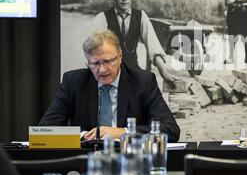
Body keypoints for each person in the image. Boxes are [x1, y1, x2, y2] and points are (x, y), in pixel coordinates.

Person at [39, 30, 180, 142]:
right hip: (84, 163)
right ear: (87, 62)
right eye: (95, 63)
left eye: (107, 61)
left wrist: (122, 132)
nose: (102, 70)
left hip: (129, 160)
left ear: (120, 56)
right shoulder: (74, 82)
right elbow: (44, 131)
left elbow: (171, 130)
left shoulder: (143, 82)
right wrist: (83, 136)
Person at [93, 0, 176, 83]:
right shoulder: (102, 18)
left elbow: (153, 47)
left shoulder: (141, 16)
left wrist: (164, 73)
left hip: (133, 72)